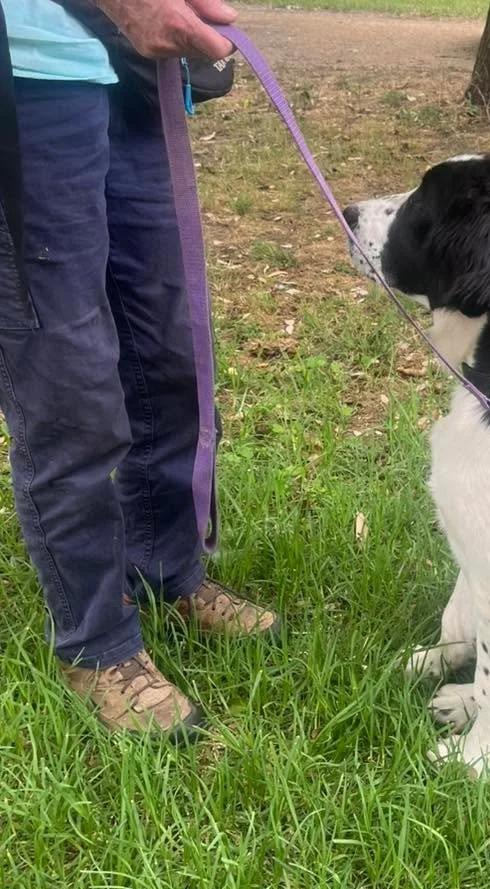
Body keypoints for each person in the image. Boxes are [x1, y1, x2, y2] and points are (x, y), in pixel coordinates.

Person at [0, 0, 279, 742]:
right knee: (68, 376)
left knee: (169, 348)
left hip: (130, 69)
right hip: (28, 72)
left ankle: (166, 567)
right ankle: (95, 641)